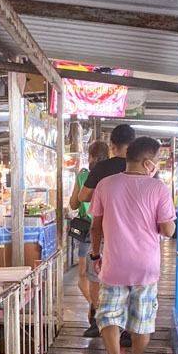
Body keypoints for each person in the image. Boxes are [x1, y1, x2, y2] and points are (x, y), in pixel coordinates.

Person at [89, 137, 175, 354]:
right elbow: (168, 231)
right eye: (157, 160)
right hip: (145, 267)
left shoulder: (105, 185)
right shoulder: (158, 188)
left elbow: (95, 227)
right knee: (142, 319)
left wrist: (96, 255)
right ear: (149, 162)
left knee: (108, 315)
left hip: (114, 264)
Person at [79, 124, 135, 339]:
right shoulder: (141, 168)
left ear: (112, 145)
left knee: (96, 276)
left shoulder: (102, 169)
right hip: (133, 235)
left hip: (104, 230)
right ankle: (128, 328)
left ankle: (96, 321)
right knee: (130, 279)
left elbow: (83, 197)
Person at [70, 140, 109, 333]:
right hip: (110, 231)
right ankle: (101, 308)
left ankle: (94, 307)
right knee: (106, 275)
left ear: (91, 157)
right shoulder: (113, 176)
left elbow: (73, 204)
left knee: (84, 277)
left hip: (89, 231)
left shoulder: (83, 177)